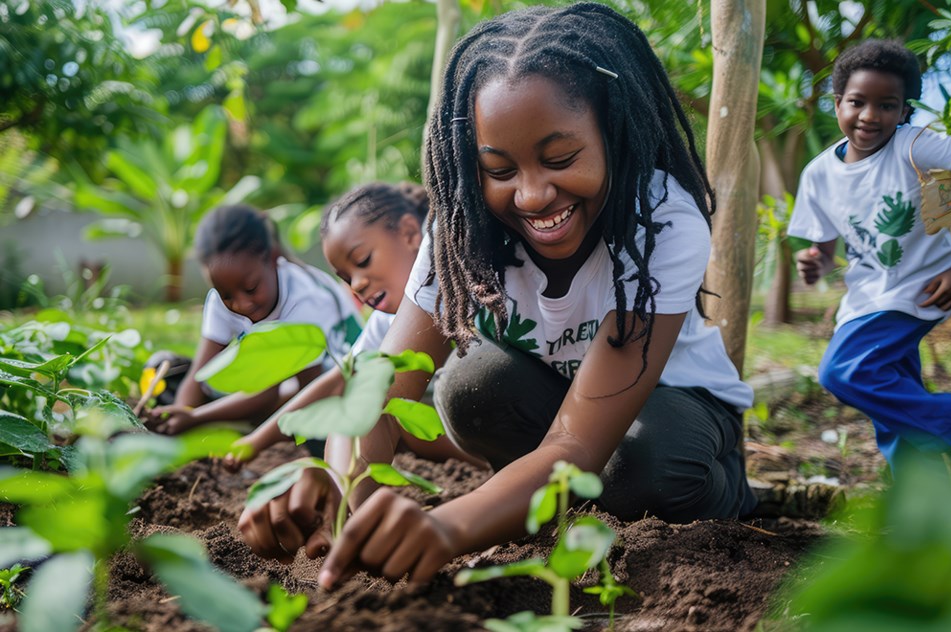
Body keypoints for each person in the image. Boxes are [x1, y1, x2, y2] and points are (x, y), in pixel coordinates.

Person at [238, 2, 756, 585]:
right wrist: (342, 488)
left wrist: (449, 527)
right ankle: (540, 503)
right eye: (500, 170)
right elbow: (376, 398)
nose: (533, 195)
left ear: (613, 132)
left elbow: (576, 441)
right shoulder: (462, 231)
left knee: (642, 467)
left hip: (674, 406)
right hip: (556, 406)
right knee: (470, 387)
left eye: (560, 159)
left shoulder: (659, 218)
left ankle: (728, 488)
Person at [789, 39, 951, 472]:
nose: (869, 116)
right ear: (837, 103)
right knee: (895, 411)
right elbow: (827, 253)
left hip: (919, 289)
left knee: (844, 372)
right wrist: (815, 262)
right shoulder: (819, 174)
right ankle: (922, 511)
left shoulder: (912, 146)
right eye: (857, 102)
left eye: (887, 105)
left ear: (904, 111)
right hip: (867, 295)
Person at [224, 182, 434, 468]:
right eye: (346, 278)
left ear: (410, 234)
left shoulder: (454, 289)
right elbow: (338, 379)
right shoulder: (384, 322)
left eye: (363, 260)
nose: (357, 284)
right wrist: (257, 440)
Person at [144, 204, 363, 435]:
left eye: (251, 288)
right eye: (226, 295)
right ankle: (226, 422)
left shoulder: (304, 299)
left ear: (271, 258)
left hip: (325, 385)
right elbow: (200, 373)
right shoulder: (222, 298)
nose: (241, 304)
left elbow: (281, 394)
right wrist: (180, 414)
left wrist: (196, 417)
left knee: (305, 405)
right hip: (268, 389)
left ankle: (233, 426)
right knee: (166, 372)